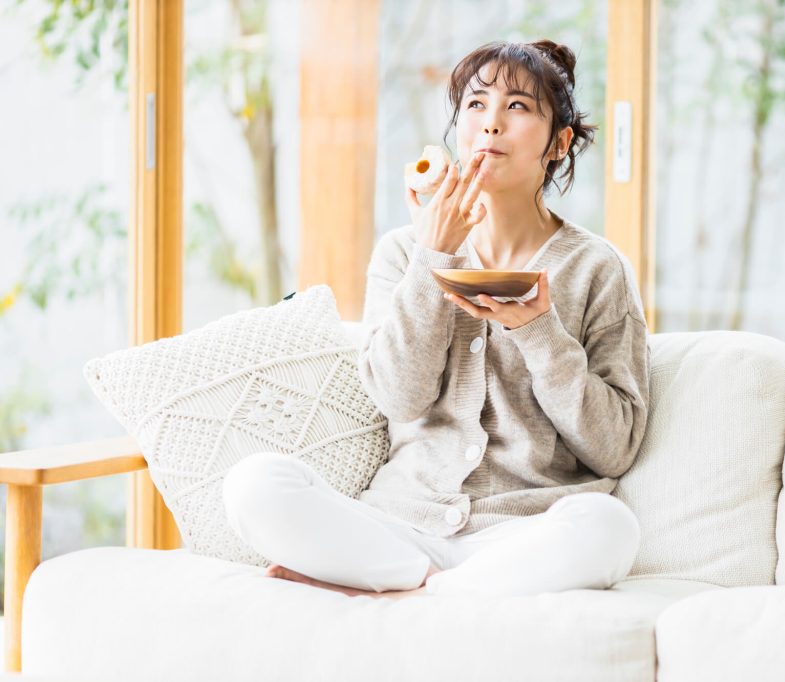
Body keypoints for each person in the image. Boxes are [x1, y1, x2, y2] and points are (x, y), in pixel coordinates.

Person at [222, 39, 651, 599]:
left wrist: (538, 331)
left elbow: (614, 446)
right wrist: (434, 257)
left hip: (521, 536)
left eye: (518, 107)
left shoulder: (596, 267)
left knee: (609, 528)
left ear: (558, 144)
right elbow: (399, 398)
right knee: (253, 484)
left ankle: (403, 592)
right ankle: (433, 586)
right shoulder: (405, 252)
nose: (491, 124)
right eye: (476, 105)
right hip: (400, 526)